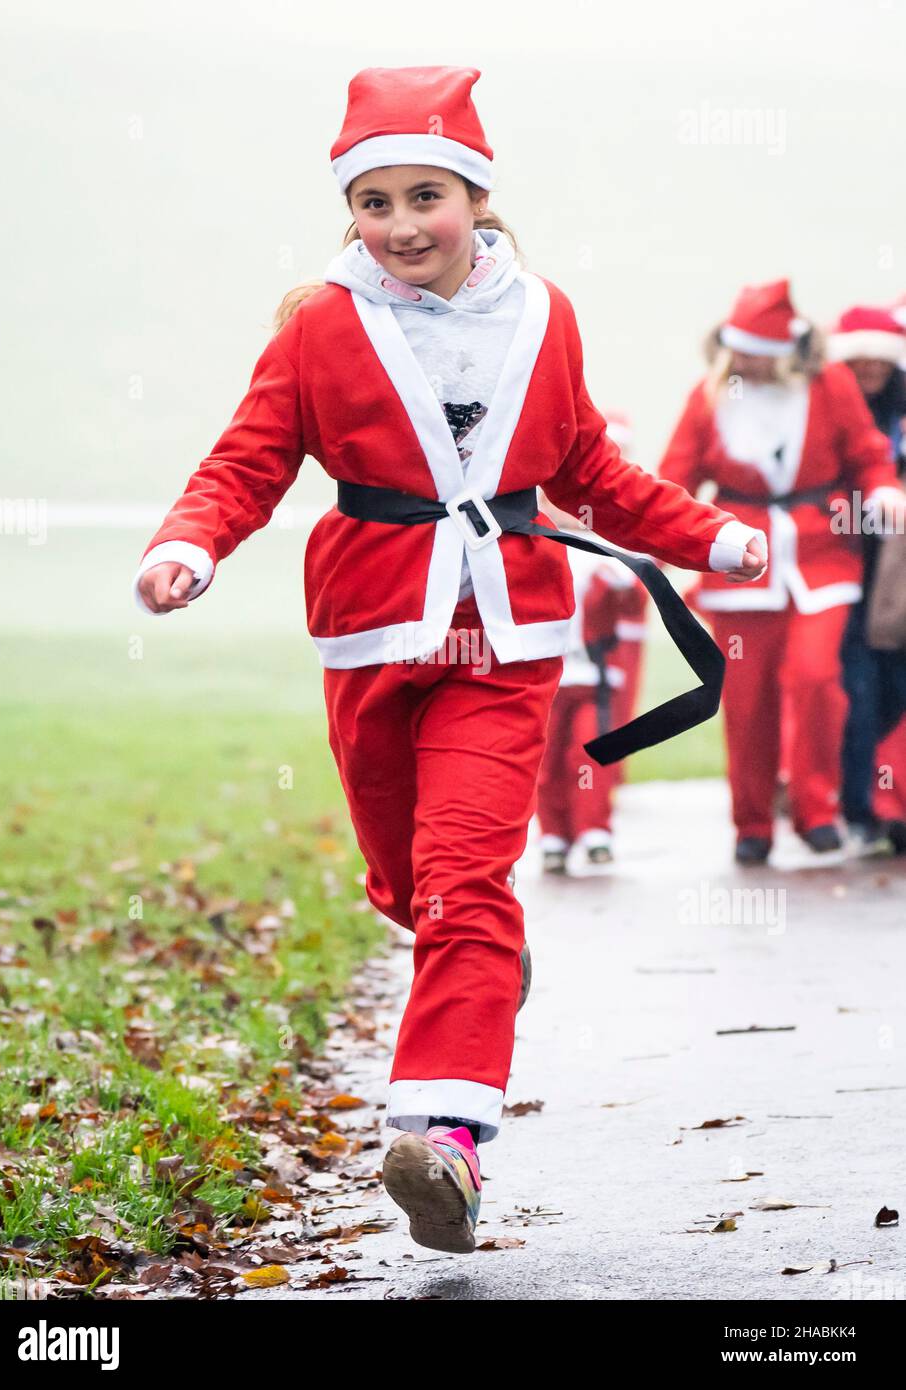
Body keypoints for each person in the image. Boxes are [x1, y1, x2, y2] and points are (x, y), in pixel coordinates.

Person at [132, 65, 767, 1255]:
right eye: (373, 204)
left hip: (506, 639)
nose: (401, 224)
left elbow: (590, 469)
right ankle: (477, 965)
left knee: (464, 882)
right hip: (372, 633)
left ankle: (448, 1140)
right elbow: (248, 460)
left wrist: (707, 536)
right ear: (349, 215)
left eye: (425, 194)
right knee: (404, 883)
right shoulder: (320, 326)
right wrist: (188, 544)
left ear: (475, 195)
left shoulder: (543, 314)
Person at [658, 280, 906, 865]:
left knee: (819, 679)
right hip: (740, 563)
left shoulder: (830, 385)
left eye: (755, 353)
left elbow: (869, 454)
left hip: (822, 557)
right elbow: (676, 479)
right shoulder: (710, 396)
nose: (742, 362)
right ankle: (751, 823)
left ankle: (816, 810)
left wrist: (883, 490)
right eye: (737, 350)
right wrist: (656, 547)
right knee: (746, 702)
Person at [536, 413, 649, 870]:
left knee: (591, 751)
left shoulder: (615, 554)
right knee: (545, 759)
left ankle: (595, 829)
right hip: (548, 676)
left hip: (597, 675)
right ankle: (553, 837)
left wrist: (620, 580)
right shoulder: (540, 544)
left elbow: (635, 597)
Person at [827, 306, 906, 853]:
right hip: (846, 569)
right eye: (859, 359)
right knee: (857, 692)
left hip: (896, 574)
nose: (870, 368)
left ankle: (890, 806)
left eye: (880, 358)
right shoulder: (831, 407)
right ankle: (862, 808)